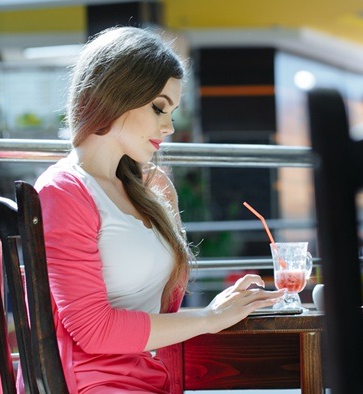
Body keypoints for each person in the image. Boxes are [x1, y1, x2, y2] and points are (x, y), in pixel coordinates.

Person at [27, 26, 285, 393]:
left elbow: (157, 312)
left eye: (173, 112)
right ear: (115, 94)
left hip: (152, 377)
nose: (169, 126)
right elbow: (93, 331)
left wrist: (216, 309)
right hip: (92, 384)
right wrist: (208, 317)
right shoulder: (63, 192)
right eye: (159, 108)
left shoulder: (151, 187)